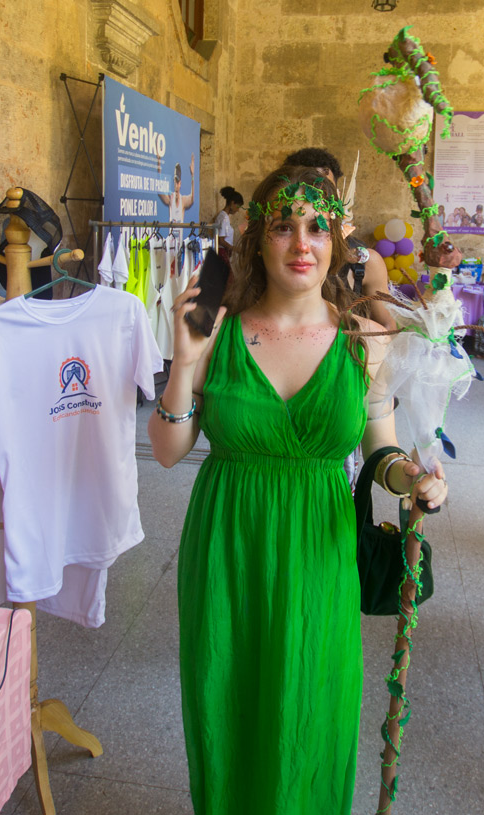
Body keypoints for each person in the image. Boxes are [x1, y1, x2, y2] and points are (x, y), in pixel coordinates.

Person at [149, 166, 448, 814]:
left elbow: (383, 451)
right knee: (226, 706)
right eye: (283, 226)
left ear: (336, 238)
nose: (301, 242)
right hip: (229, 550)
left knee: (315, 710)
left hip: (320, 551)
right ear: (259, 239)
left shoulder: (362, 339)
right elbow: (168, 450)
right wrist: (184, 361)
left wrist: (414, 480)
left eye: (316, 226)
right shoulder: (219, 328)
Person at [283, 147, 396, 330]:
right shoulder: (267, 256)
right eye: (304, 188)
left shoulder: (365, 262)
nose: (314, 199)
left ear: (339, 198)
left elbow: (387, 324)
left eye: (325, 189)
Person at [158, 153, 195, 224]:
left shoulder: (183, 200)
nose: (176, 185)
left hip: (180, 235)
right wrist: (159, 164)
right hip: (171, 235)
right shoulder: (170, 198)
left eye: (177, 182)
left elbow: (192, 199)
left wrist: (192, 175)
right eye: (175, 182)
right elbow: (160, 191)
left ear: (180, 183)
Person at [213, 185, 243, 261]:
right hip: (222, 253)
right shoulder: (224, 218)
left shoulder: (223, 216)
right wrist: (235, 249)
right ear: (232, 203)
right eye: (238, 206)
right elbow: (221, 240)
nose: (238, 210)